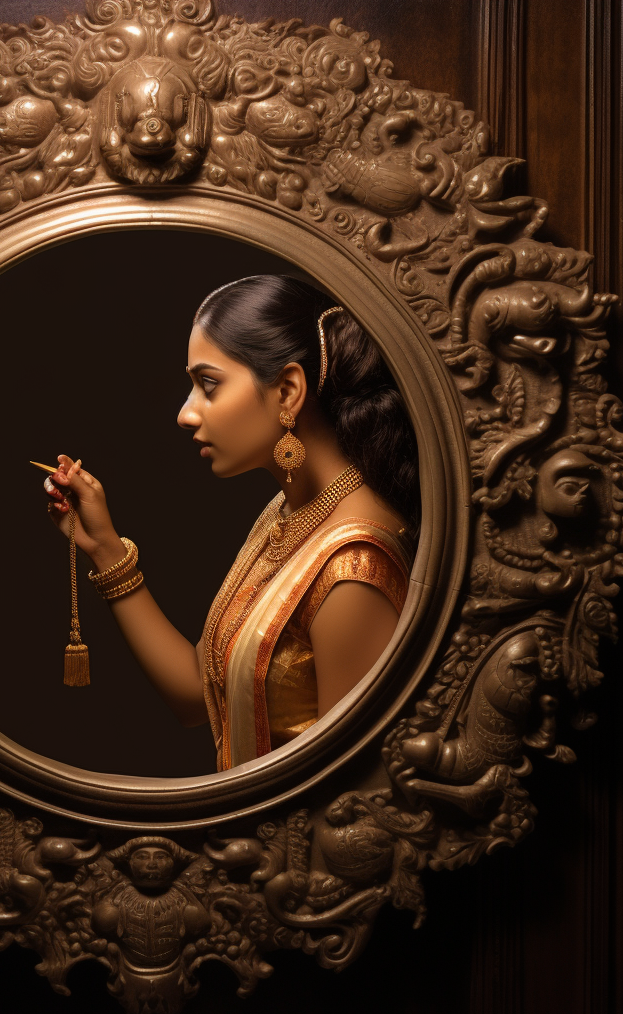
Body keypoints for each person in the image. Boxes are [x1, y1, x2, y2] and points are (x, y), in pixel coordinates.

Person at [43, 275, 418, 771]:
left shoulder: (355, 563)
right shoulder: (291, 512)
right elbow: (199, 698)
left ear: (287, 391)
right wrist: (105, 549)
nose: (185, 413)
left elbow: (344, 795)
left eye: (208, 384)